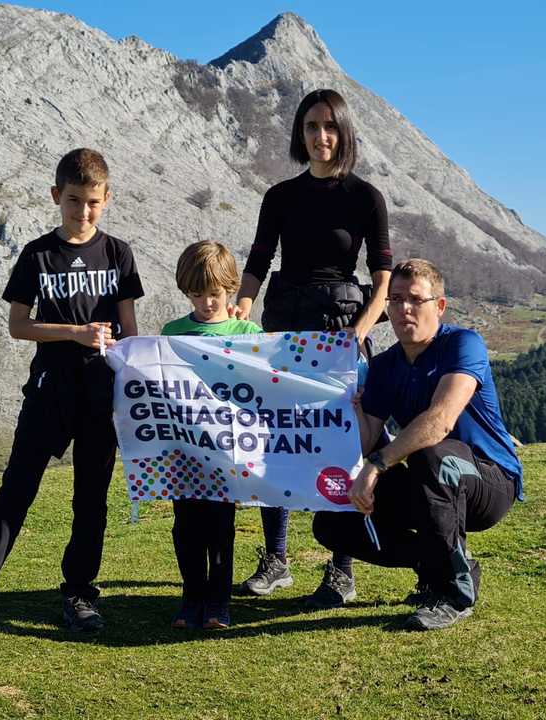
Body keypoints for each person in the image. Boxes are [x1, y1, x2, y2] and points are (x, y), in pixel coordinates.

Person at [0, 148, 144, 632]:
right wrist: (75, 333)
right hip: (50, 391)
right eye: (74, 200)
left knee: (90, 500)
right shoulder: (37, 254)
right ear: (56, 196)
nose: (83, 211)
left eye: (93, 202)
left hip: (100, 395)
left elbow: (129, 329)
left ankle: (79, 595)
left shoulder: (119, 253)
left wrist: (138, 375)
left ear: (107, 199)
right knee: (16, 490)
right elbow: (18, 325)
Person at [234, 88, 393, 609]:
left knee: (341, 443)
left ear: (343, 132)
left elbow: (383, 276)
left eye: (329, 126)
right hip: (284, 327)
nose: (320, 136)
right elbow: (259, 260)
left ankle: (341, 569)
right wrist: (240, 308)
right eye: (310, 127)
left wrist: (362, 328)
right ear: (299, 134)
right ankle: (276, 559)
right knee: (273, 438)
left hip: (341, 330)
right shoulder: (279, 196)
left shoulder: (366, 197)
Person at [313, 259, 523, 631]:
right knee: (332, 522)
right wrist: (354, 409)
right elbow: (366, 439)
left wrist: (377, 465)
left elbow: (440, 421)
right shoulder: (385, 366)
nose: (403, 309)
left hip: (489, 480)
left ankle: (453, 595)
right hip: (431, 484)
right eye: (395, 300)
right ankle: (442, 564)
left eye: (415, 299)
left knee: (432, 455)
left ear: (439, 306)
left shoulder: (463, 344)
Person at [161, 241, 263, 630]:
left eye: (215, 294)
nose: (206, 303)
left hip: (228, 450)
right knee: (186, 524)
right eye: (196, 294)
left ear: (230, 289)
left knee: (220, 525)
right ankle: (192, 598)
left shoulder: (247, 332)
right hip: (184, 450)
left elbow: (270, 384)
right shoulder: (173, 333)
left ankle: (219, 603)